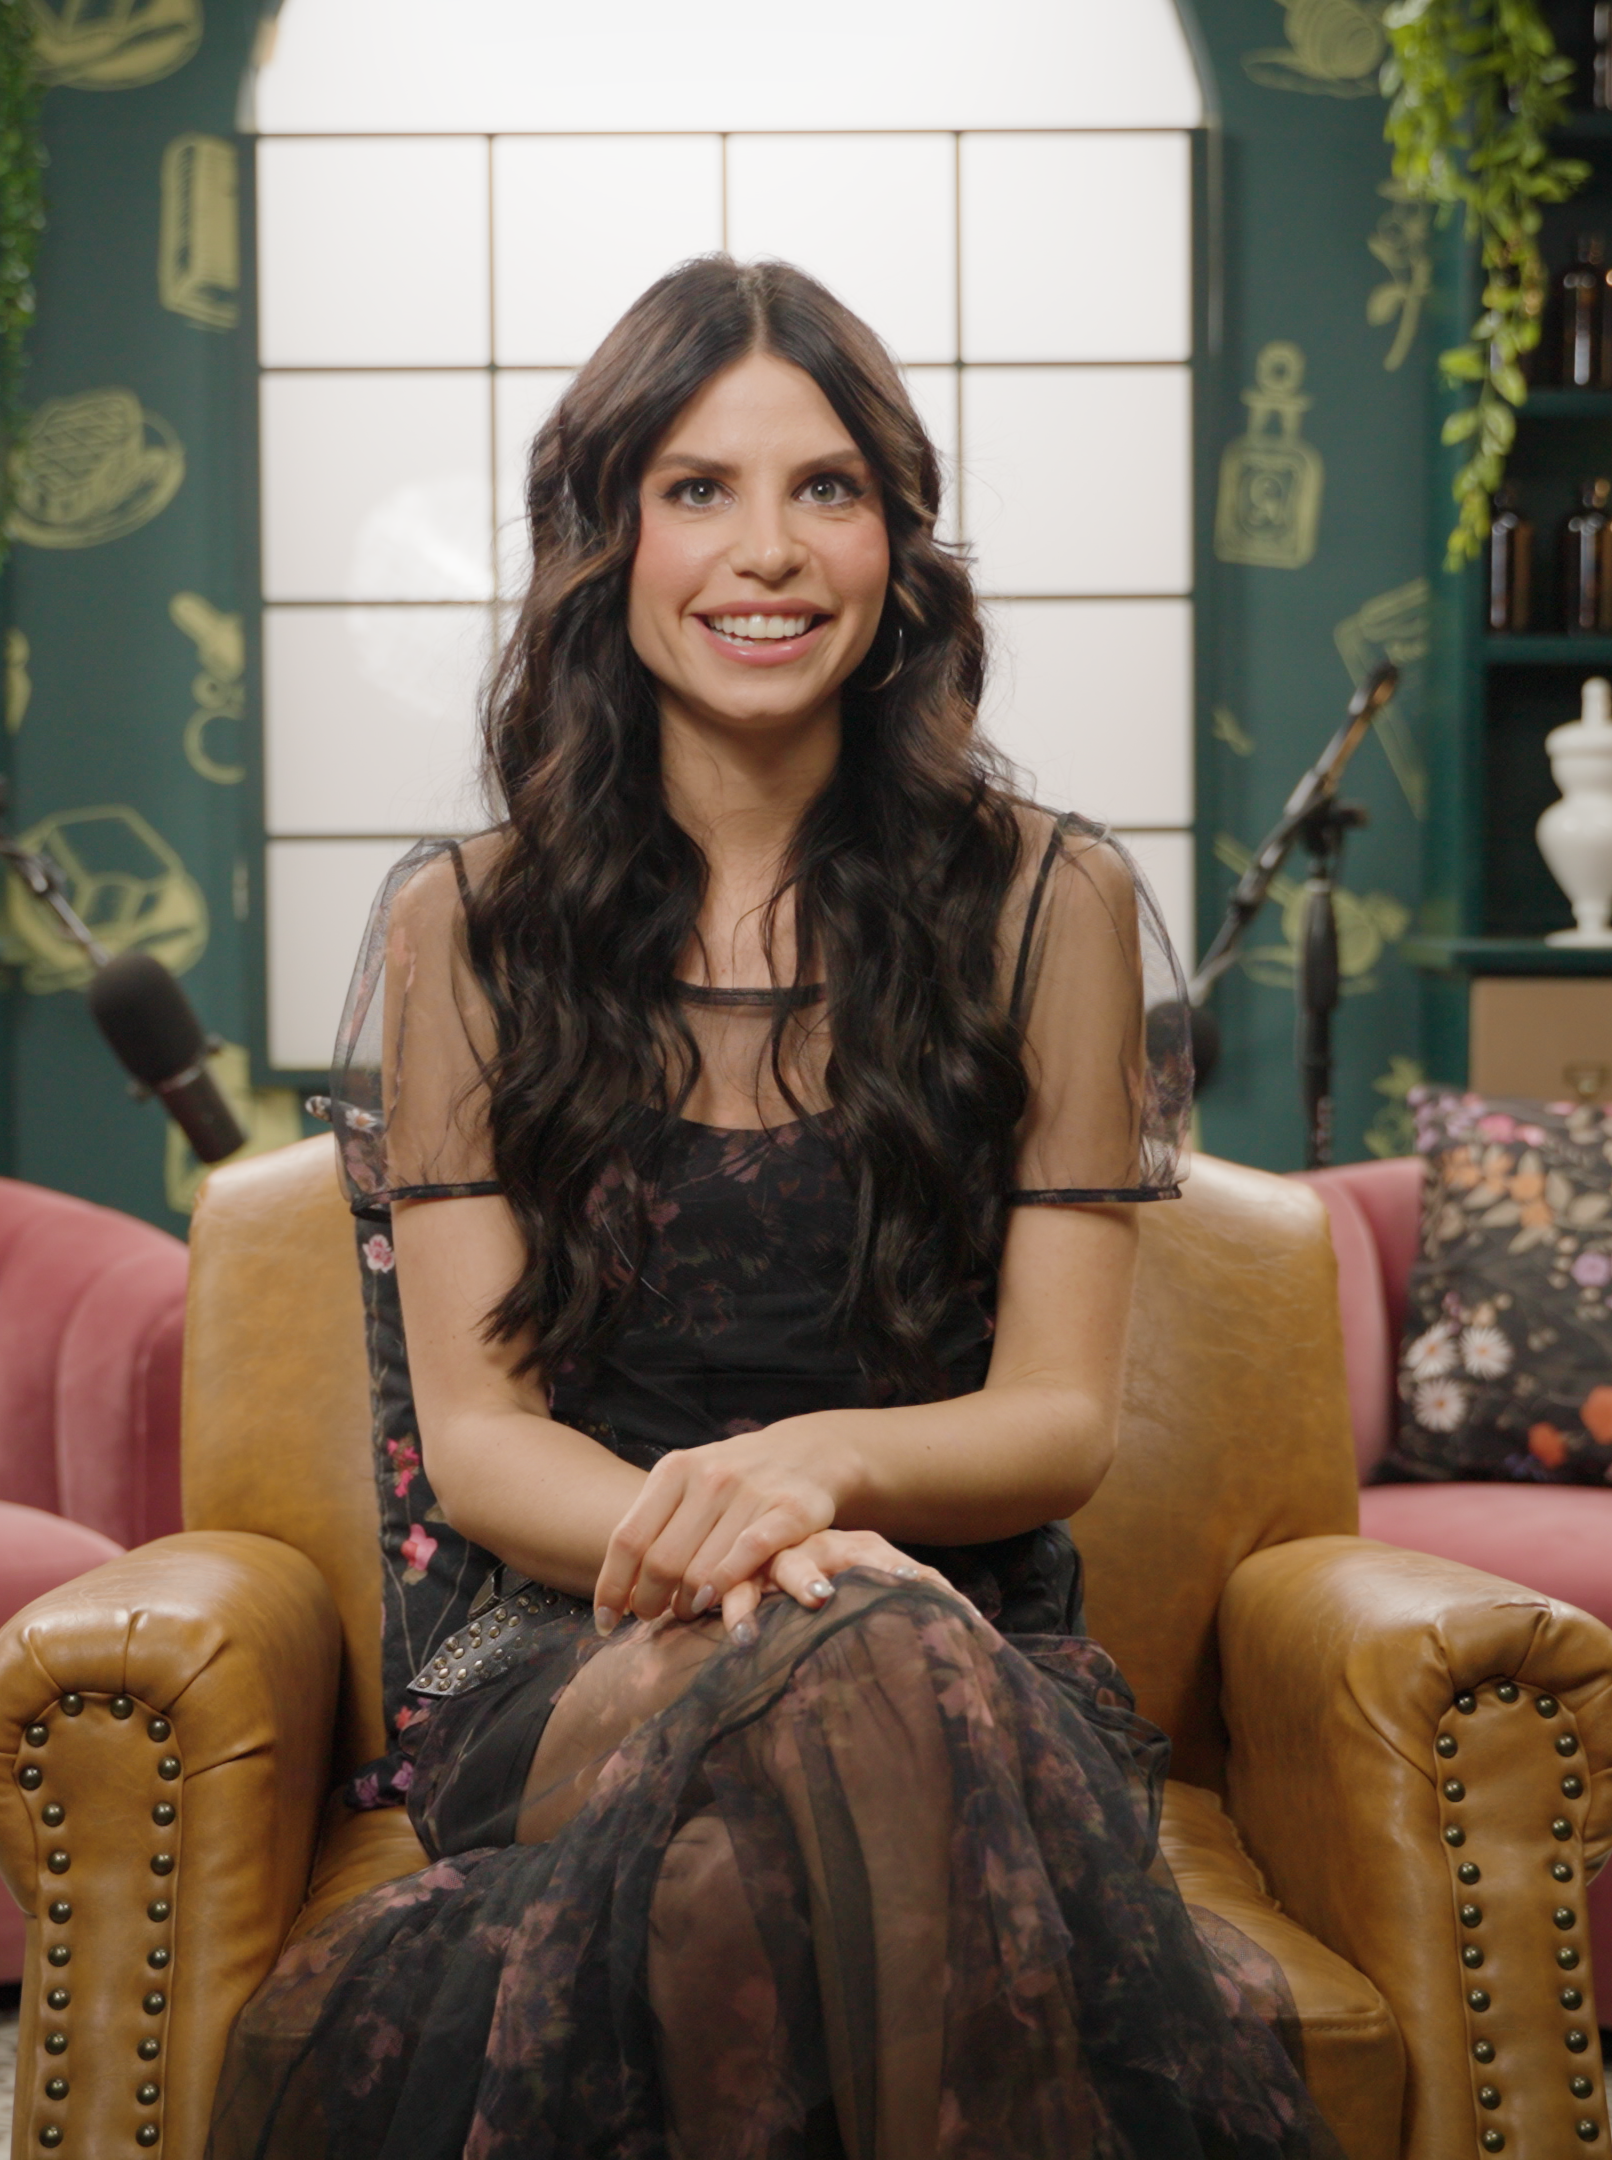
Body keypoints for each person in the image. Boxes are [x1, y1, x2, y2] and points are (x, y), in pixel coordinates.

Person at [213, 257, 1337, 2160]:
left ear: (899, 540)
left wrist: (814, 1480)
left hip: (954, 1614)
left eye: (828, 488)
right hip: (569, 1634)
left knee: (779, 1835)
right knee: (846, 1681)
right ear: (608, 536)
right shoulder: (463, 927)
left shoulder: (1043, 901)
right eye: (698, 489)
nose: (772, 551)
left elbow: (1056, 1422)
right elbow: (482, 1447)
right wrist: (747, 1557)